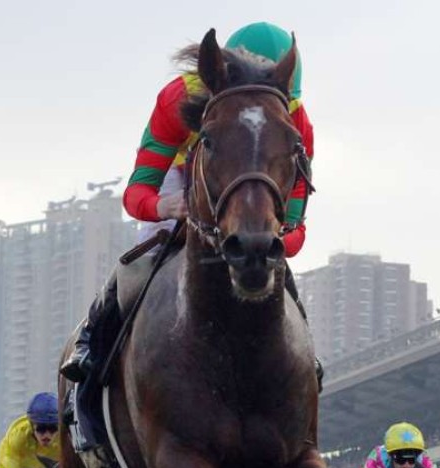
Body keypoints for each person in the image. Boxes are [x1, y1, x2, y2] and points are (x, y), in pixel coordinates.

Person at [61, 21, 315, 384]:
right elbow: (137, 195)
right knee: (141, 266)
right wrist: (163, 208)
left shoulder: (296, 121)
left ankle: (309, 363)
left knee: (282, 278)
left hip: (251, 195)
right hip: (182, 180)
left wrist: (275, 238)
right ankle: (91, 346)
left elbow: (297, 227)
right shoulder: (177, 98)